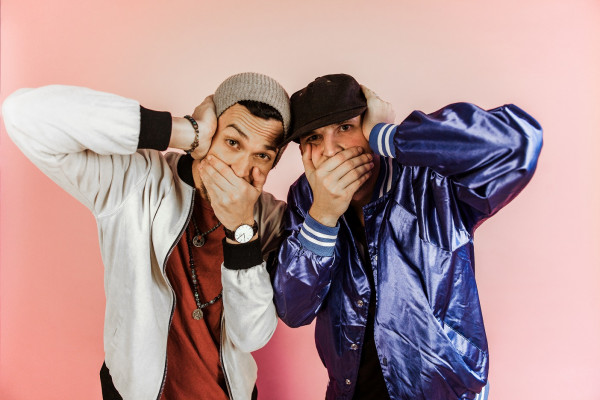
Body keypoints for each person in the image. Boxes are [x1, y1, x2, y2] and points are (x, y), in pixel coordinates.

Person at [2, 72, 290, 400]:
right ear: (210, 134)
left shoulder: (271, 220)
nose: (240, 169)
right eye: (233, 142)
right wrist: (185, 131)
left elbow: (252, 336)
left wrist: (242, 232)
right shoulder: (134, 180)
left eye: (262, 156)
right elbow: (22, 114)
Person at [272, 74, 543, 400]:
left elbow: (517, 144)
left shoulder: (431, 179)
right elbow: (293, 309)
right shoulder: (306, 197)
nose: (331, 151)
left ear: (367, 125)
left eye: (345, 127)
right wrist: (323, 216)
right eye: (314, 138)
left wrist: (386, 135)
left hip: (444, 391)